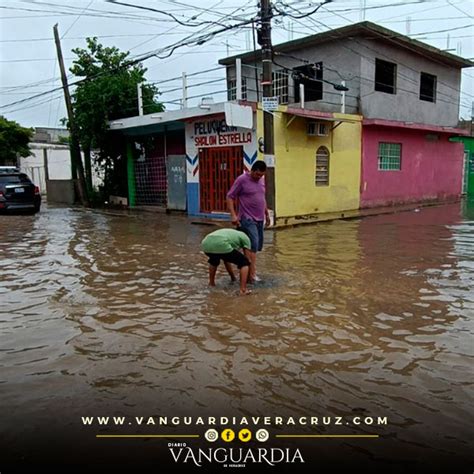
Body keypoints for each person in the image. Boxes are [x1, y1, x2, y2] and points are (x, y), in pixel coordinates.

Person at [226, 160, 271, 282]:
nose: (259, 177)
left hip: (260, 218)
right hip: (247, 218)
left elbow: (262, 198)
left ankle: (246, 271)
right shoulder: (242, 180)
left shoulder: (261, 181)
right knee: (252, 246)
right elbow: (230, 197)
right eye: (257, 175)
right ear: (252, 170)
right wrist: (233, 215)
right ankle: (251, 275)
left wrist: (267, 214)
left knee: (255, 247)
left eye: (261, 175)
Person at [201, 228, 253, 296]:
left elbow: (226, 259)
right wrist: (249, 279)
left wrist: (233, 278)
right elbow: (248, 260)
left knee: (214, 261)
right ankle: (243, 290)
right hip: (221, 243)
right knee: (244, 262)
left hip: (205, 243)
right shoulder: (245, 237)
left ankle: (211, 283)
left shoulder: (231, 234)